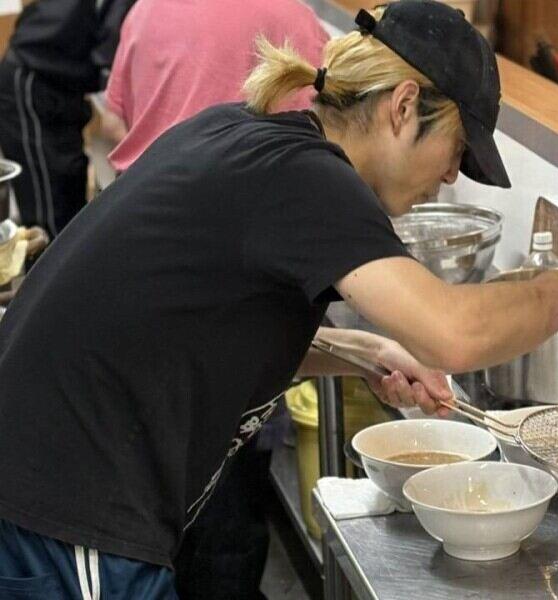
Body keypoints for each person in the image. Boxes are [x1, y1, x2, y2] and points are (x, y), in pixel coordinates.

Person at [0, 1, 558, 597]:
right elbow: (453, 334)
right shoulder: (310, 181)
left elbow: (210, 326)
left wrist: (361, 353)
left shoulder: (253, 137)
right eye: (457, 150)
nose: (452, 176)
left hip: (48, 493)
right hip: (64, 515)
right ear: (403, 107)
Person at [95, 2, 329, 598]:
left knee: (149, 509)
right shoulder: (295, 23)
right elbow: (318, 153)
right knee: (225, 527)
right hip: (233, 297)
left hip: (134, 274)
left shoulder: (148, 9)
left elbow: (119, 121)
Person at [101, 0, 329, 173]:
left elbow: (112, 124)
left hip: (134, 203)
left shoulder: (146, 7)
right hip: (227, 217)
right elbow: (315, 142)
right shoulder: (297, 23)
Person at [0, 0, 135, 238]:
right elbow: (112, 122)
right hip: (32, 80)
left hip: (66, 86)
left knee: (72, 201)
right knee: (50, 225)